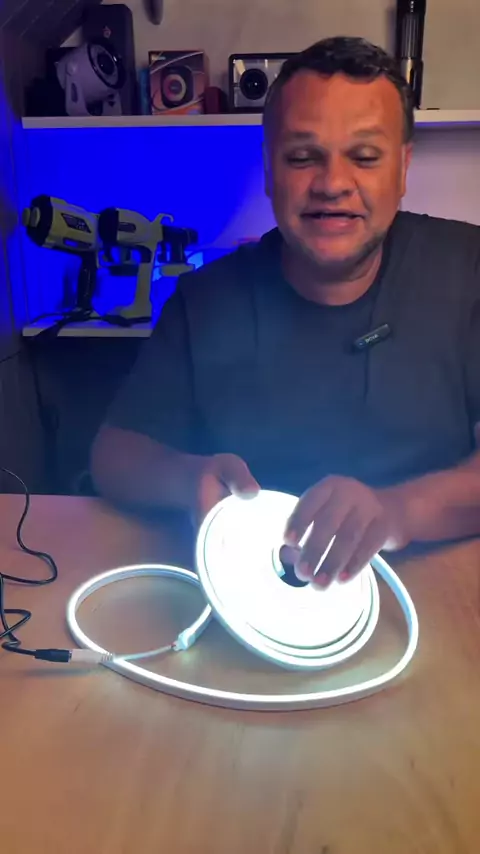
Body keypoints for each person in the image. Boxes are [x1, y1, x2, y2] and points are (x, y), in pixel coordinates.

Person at [91, 36, 480, 589]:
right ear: (270, 170)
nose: (333, 184)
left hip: (440, 591)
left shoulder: (468, 271)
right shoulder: (206, 299)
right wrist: (187, 477)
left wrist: (397, 513)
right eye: (302, 157)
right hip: (250, 593)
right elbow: (114, 454)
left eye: (365, 157)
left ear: (402, 168)